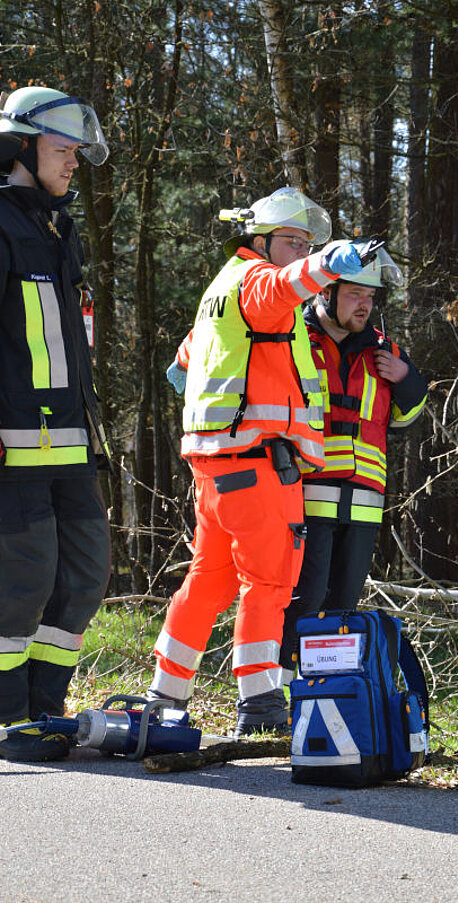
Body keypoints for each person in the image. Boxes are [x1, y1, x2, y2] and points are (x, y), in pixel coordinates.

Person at [152, 187, 372, 738]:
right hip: (259, 462)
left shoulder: (221, 289)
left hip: (218, 464)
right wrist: (329, 261)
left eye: (306, 243)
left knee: (210, 579)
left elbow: (189, 356)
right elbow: (285, 284)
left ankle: (165, 694)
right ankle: (260, 701)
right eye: (291, 241)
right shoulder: (258, 284)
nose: (299, 252)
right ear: (259, 241)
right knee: (271, 581)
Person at [0, 86, 112, 762]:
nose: (73, 164)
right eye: (62, 150)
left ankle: (46, 707)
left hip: (69, 443)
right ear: (21, 147)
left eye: (76, 152)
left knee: (83, 574)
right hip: (13, 445)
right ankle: (8, 718)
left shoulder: (55, 229)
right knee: (23, 579)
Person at [278, 246, 428, 684]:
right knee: (302, 601)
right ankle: (287, 695)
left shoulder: (386, 352)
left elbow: (406, 420)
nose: (365, 304)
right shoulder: (295, 340)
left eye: (371, 296)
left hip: (364, 503)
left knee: (344, 605)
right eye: (355, 294)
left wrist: (407, 380)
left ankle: (332, 695)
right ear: (326, 290)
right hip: (306, 500)